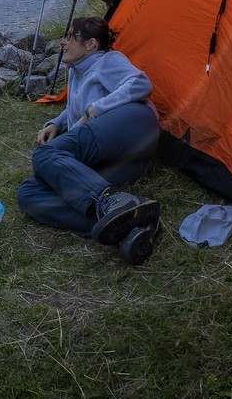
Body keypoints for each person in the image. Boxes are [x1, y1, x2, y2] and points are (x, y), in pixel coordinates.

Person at [16, 16, 162, 266]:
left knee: (44, 155)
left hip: (134, 127)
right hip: (117, 160)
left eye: (70, 37)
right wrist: (57, 123)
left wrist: (96, 109)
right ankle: (126, 225)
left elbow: (140, 83)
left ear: (91, 44)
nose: (63, 42)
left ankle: (108, 200)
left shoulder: (107, 60)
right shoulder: (76, 71)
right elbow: (78, 108)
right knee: (28, 194)